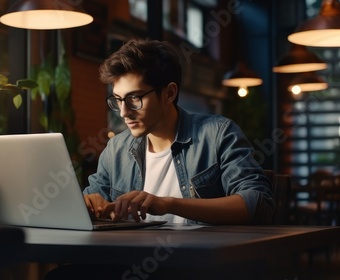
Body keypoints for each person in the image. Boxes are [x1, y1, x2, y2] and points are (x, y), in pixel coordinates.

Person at [44, 38, 274, 280]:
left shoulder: (217, 133)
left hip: (203, 267)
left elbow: (257, 203)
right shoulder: (117, 148)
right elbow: (94, 199)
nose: (124, 112)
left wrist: (168, 203)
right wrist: (88, 204)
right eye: (118, 100)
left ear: (169, 93)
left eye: (134, 98)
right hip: (132, 263)